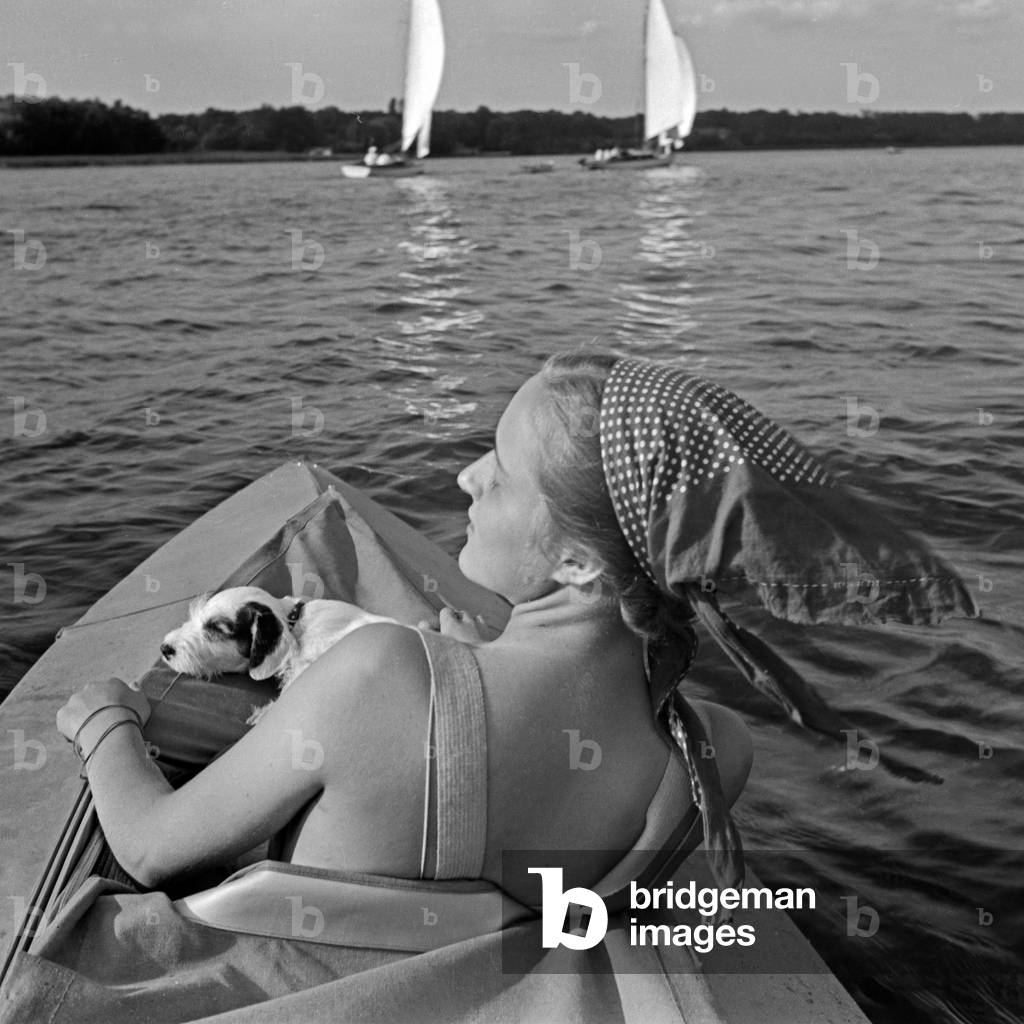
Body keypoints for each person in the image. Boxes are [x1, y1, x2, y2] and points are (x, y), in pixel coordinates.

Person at [55, 351, 755, 902]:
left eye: (502, 470)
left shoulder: (376, 673)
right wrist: (487, 660)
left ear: (575, 561)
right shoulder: (717, 752)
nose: (468, 477)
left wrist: (104, 720)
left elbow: (150, 849)